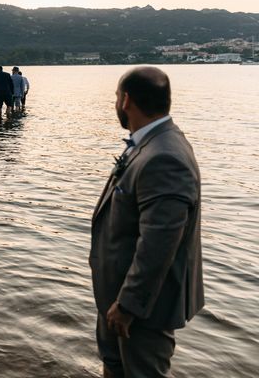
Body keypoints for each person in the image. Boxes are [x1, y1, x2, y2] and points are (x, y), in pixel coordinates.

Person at [90, 66, 204, 378]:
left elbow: (160, 242)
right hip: (118, 298)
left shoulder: (164, 156)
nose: (115, 103)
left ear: (126, 100)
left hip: (142, 309)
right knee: (114, 367)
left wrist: (128, 306)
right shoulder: (152, 143)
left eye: (116, 97)